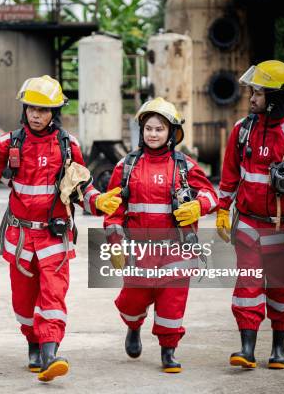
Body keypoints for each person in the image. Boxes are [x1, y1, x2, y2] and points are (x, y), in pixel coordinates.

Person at [0, 75, 122, 382]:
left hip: (55, 237)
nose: (37, 115)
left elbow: (81, 187)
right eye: (32, 109)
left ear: (54, 112)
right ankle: (33, 342)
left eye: (43, 110)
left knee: (53, 296)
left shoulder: (69, 146)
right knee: (24, 301)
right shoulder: (9, 143)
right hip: (20, 237)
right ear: (24, 109)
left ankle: (50, 353)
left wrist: (98, 202)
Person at [216, 60, 284, 369]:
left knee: (282, 289)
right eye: (252, 92)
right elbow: (229, 176)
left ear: (274, 97)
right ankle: (246, 349)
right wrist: (223, 210)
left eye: (257, 93)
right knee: (247, 288)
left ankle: (279, 348)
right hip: (248, 225)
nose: (251, 98)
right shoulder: (242, 131)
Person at [103, 97, 218, 373]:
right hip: (138, 250)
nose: (153, 134)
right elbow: (113, 208)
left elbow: (211, 195)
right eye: (149, 128)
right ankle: (133, 326)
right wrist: (116, 243)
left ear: (172, 133)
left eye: (159, 129)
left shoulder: (185, 166)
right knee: (133, 301)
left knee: (172, 301)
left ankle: (169, 350)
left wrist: (198, 206)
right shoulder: (126, 166)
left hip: (176, 248)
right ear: (141, 131)